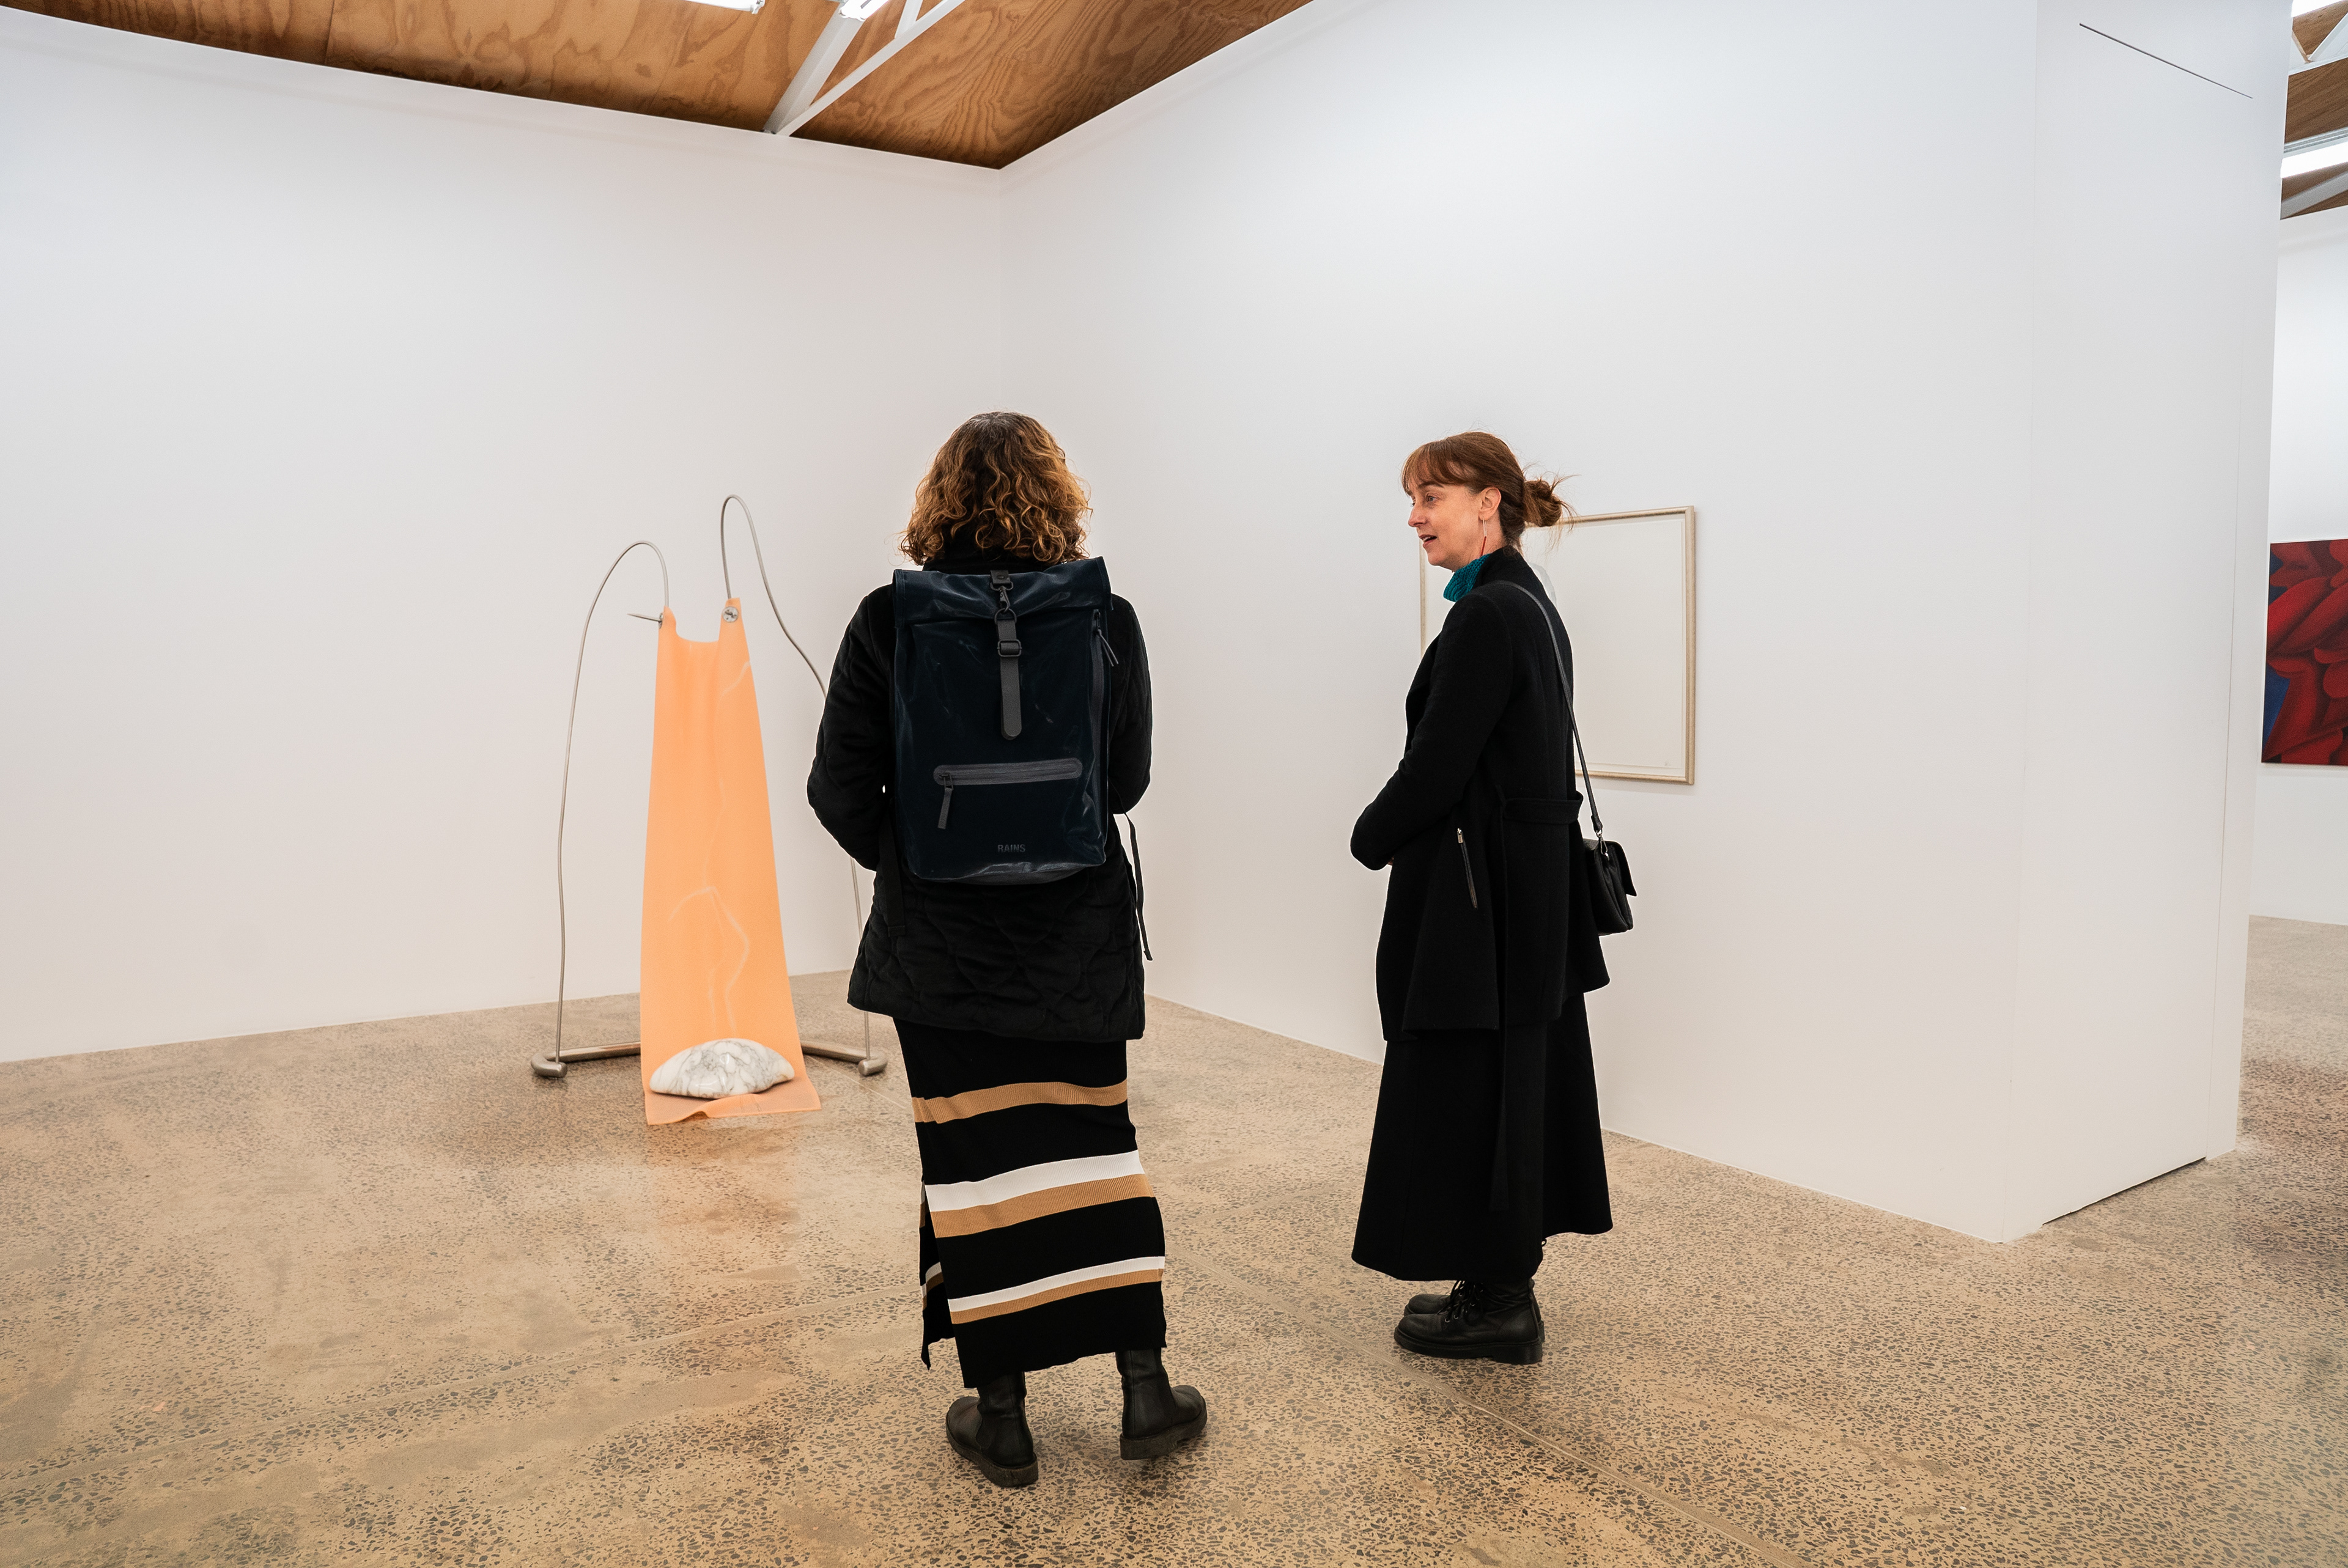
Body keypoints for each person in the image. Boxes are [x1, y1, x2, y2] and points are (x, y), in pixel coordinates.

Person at [808, 411, 1204, 1488]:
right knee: (1097, 1152)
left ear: (938, 501)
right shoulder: (1107, 616)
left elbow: (836, 787)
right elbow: (1125, 782)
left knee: (972, 1164)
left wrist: (922, 858)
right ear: (1059, 496)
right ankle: (1145, 1391)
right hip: (1076, 936)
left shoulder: (888, 619)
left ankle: (1004, 1416)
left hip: (940, 952)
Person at [1348, 430, 1615, 1365]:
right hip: (1522, 898)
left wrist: (1368, 836)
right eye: (1413, 499)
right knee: (1508, 1087)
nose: (1414, 518)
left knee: (1475, 1090)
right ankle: (1498, 1285)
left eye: (1431, 497)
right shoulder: (1528, 603)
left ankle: (1501, 1301)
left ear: (1487, 502)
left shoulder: (1489, 615)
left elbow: (1436, 769)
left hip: (1482, 906)